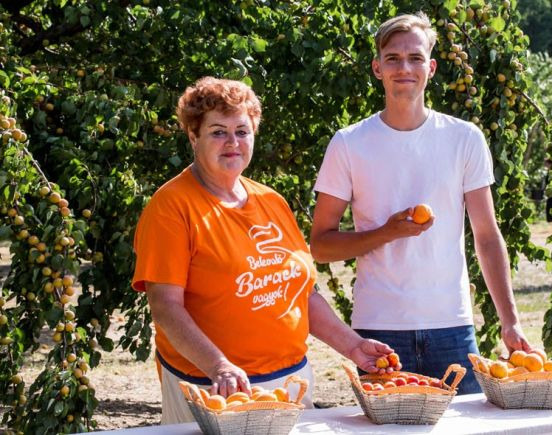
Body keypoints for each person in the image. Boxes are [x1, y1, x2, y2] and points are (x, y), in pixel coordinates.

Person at [132, 77, 398, 424]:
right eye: (218, 132)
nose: (232, 142)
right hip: (215, 390)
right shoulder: (172, 208)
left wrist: (352, 345)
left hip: (290, 384)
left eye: (242, 131)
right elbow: (165, 307)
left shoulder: (271, 201)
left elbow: (302, 293)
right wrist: (219, 366)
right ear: (193, 136)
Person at [310, 12, 532, 395]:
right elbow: (320, 245)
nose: (404, 68)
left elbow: (487, 236)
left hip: (452, 326)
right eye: (393, 59)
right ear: (377, 68)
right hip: (378, 330)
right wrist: (388, 232)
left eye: (414, 58)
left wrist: (509, 320)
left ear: (430, 68)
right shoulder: (348, 143)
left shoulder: (464, 138)